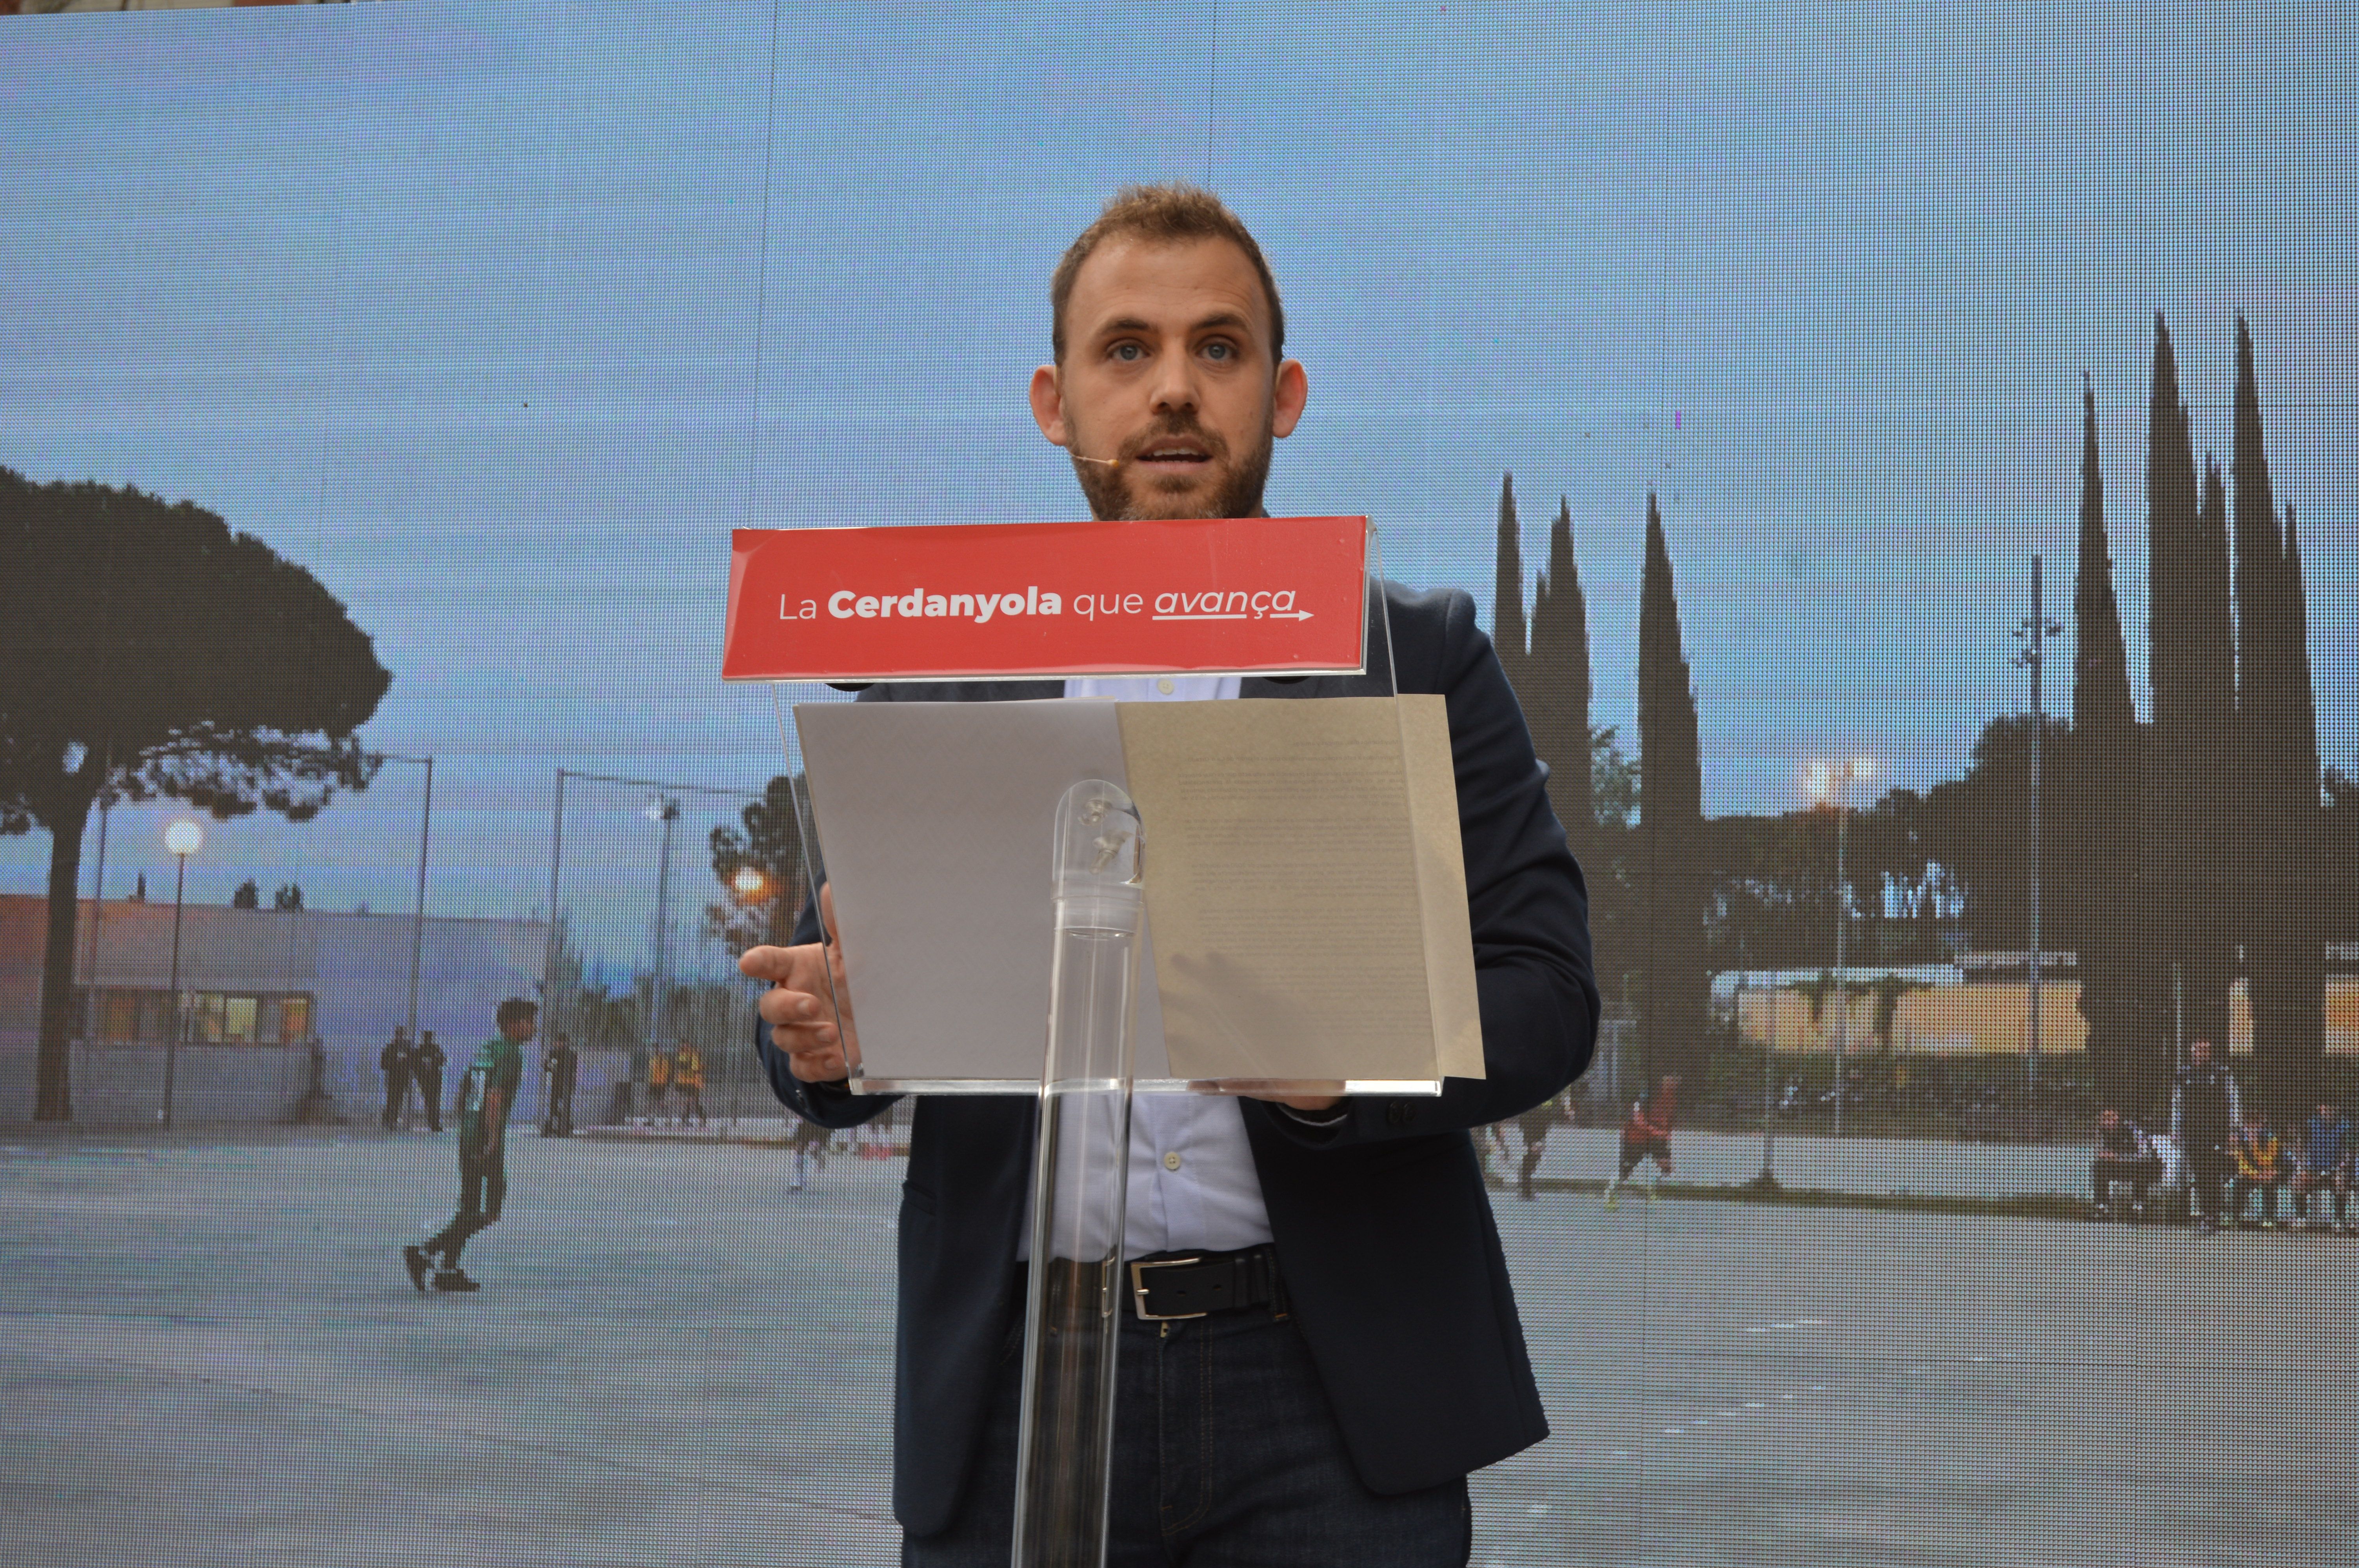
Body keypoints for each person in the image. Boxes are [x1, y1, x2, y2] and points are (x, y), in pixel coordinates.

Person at [741, 182, 1598, 1565]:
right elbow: (815, 1029)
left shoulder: (1415, 656)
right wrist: (832, 1046)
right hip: (1012, 1395)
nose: (1174, 392)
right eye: (1125, 350)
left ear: (1284, 391)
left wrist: (1346, 1067)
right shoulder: (936, 675)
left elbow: (1551, 996)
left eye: (1219, 347)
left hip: (1328, 1404)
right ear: (1054, 399)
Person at [405, 998, 536, 1293]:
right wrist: (491, 1138)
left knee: (469, 1206)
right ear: (515, 1025)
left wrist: (467, 1124)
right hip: (486, 1135)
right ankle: (425, 1252)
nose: (534, 1028)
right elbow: (494, 1096)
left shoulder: (486, 1049)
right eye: (530, 1021)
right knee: (490, 1211)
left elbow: (467, 1089)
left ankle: (447, 1270)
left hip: (468, 1130)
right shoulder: (512, 1054)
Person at [2171, 1038, 2241, 1234]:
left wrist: (2233, 1130)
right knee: (2200, 1175)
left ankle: (2215, 1215)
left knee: (2214, 1173)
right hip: (2192, 1133)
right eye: (2198, 1050)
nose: (2202, 1054)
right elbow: (2177, 1104)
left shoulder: (2222, 1073)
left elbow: (2233, 1101)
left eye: (2205, 1050)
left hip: (2217, 1133)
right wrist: (2176, 1129)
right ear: (2192, 1052)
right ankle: (2205, 1215)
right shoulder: (2183, 1075)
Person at [1606, 1071, 1681, 1210]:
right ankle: (1611, 1196)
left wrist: (1667, 1134)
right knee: (1625, 1172)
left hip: (1657, 1139)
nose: (1674, 1082)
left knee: (1667, 1168)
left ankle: (1652, 1195)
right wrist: (1656, 1131)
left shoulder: (1674, 1098)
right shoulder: (1649, 1095)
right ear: (1663, 1080)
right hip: (1635, 1139)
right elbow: (1637, 1118)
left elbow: (1670, 1120)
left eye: (1676, 1079)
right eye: (1671, 1078)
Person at [2090, 1107, 2163, 1220]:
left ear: (2117, 1118)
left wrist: (2118, 1156)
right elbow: (2098, 1152)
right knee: (2099, 1167)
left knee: (2142, 1170)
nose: (2107, 1122)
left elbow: (2143, 1154)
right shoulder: (2100, 1132)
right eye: (2104, 1119)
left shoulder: (2131, 1130)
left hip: (2137, 1166)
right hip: (2116, 1167)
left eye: (2110, 1118)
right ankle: (2102, 1205)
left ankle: (2138, 1204)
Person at [2292, 1098, 2352, 1234]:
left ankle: (2339, 1220)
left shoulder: (2344, 1126)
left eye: (2332, 1108)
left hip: (2335, 1169)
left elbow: (2348, 1152)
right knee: (2298, 1182)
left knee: (2340, 1182)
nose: (2328, 1111)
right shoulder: (2311, 1124)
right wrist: (2303, 1167)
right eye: (2326, 1108)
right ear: (2320, 1108)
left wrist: (2341, 1168)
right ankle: (2301, 1218)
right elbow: (2301, 1146)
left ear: (2336, 1109)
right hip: (2313, 1169)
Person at [2229, 1105, 2290, 1229]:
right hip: (2250, 1174)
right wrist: (2255, 1173)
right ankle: (2237, 1217)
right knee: (2238, 1184)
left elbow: (2273, 1158)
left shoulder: (2271, 1138)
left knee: (2270, 1185)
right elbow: (2241, 1163)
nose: (2253, 1127)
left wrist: (2270, 1171)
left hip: (2271, 1172)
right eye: (2249, 1124)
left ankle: (2269, 1218)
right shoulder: (2240, 1140)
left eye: (2256, 1123)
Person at [1513, 1090, 1568, 1202]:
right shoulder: (1533, 1105)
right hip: (1533, 1135)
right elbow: (1527, 1122)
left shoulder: (1542, 1102)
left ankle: (1525, 1190)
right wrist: (1533, 1141)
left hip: (1538, 1134)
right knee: (1529, 1162)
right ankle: (1525, 1191)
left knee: (1531, 1161)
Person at [541, 1031, 578, 1137]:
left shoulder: (570, 1054)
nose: (557, 1044)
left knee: (565, 1106)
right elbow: (547, 1067)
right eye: (557, 1042)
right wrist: (548, 1065)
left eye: (560, 1042)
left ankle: (564, 1126)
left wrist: (573, 1084)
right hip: (556, 1083)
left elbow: (574, 1070)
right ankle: (553, 1125)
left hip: (566, 1084)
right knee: (554, 1105)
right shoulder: (554, 1053)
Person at [412, 1029, 447, 1133]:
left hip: (434, 1080)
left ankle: (434, 1123)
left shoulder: (434, 1049)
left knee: (434, 1102)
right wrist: (421, 1077)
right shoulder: (421, 1050)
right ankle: (434, 1123)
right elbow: (416, 1066)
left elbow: (442, 1060)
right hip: (427, 1081)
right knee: (431, 1102)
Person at [379, 1027, 413, 1129]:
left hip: (402, 1079)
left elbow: (412, 1063)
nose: (400, 1036)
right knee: (392, 1099)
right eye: (399, 1034)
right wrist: (395, 1062)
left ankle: (392, 1119)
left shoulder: (407, 1048)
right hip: (394, 1079)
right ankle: (390, 1119)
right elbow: (384, 1064)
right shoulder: (391, 1048)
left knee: (398, 1100)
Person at [672, 1040, 707, 1127]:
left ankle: (696, 1119)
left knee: (693, 1102)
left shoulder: (691, 1056)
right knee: (690, 1102)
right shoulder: (684, 1056)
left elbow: (696, 1069)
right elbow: (691, 1068)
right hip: (685, 1082)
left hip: (692, 1083)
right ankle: (689, 1119)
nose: (686, 1048)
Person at [645, 1041, 671, 1125]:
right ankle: (650, 1119)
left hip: (660, 1084)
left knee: (659, 1102)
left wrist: (665, 1083)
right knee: (652, 1102)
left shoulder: (663, 1060)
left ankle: (666, 1118)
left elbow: (665, 1073)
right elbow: (651, 1073)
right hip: (654, 1083)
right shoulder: (653, 1060)